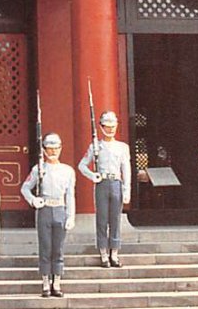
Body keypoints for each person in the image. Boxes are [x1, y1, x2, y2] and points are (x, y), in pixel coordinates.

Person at [21, 133, 76, 297]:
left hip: (59, 208)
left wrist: (70, 215)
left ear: (61, 149)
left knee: (58, 248)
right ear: (44, 150)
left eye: (56, 148)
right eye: (49, 149)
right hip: (44, 209)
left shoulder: (67, 171)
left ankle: (56, 281)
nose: (52, 152)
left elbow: (70, 195)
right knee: (45, 247)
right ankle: (45, 282)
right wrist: (33, 200)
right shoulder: (38, 169)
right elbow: (25, 188)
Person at [78, 110, 131, 268]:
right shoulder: (96, 146)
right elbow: (82, 165)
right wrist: (93, 175)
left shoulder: (122, 147)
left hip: (116, 183)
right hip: (102, 183)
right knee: (102, 220)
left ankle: (114, 252)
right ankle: (103, 253)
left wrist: (127, 189)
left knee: (115, 219)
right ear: (101, 127)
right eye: (107, 126)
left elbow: (126, 169)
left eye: (113, 126)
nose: (110, 129)